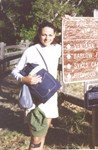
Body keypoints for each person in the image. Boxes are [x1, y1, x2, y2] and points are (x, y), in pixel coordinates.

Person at [12, 21, 61, 150]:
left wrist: (68, 22)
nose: (47, 38)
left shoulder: (57, 49)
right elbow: (15, 71)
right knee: (36, 137)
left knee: (43, 133)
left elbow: (73, 40)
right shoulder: (31, 51)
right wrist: (24, 79)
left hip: (50, 97)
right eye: (44, 34)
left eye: (50, 35)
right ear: (39, 34)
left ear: (54, 35)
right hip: (34, 99)